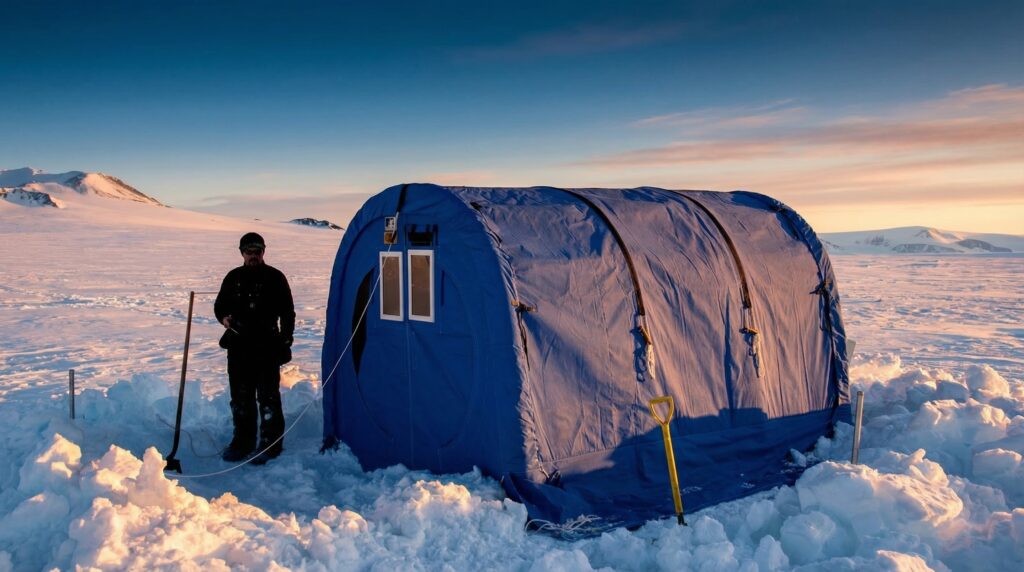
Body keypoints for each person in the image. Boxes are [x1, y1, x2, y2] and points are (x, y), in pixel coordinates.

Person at [214, 232, 295, 464]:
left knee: (269, 397)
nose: (253, 256)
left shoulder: (275, 277)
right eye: (249, 251)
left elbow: (287, 313)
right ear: (242, 253)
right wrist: (224, 318)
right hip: (239, 345)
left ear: (263, 252)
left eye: (257, 251)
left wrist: (286, 340)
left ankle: (270, 445)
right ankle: (242, 442)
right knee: (241, 397)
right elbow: (220, 305)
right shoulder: (233, 277)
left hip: (267, 345)